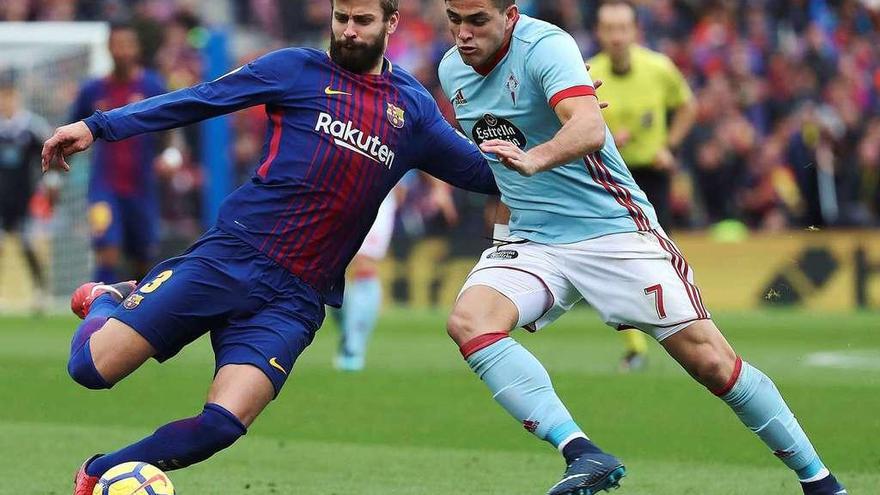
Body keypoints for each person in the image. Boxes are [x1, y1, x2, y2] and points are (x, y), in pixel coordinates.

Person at [42, 1, 498, 494]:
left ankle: (99, 471)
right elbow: (199, 99)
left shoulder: (411, 110)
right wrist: (97, 126)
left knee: (222, 425)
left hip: (295, 299)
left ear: (390, 24)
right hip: (231, 257)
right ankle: (106, 299)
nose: (347, 30)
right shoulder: (294, 69)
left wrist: (556, 140)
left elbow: (483, 173)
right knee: (88, 369)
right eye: (340, 18)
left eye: (361, 21)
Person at [438, 1, 846, 494]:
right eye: (454, 19)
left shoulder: (546, 46)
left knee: (712, 363)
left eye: (477, 20)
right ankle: (582, 453)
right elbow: (501, 160)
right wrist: (502, 230)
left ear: (509, 14)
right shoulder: (450, 68)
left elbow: (588, 128)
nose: (463, 33)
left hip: (611, 230)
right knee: (469, 321)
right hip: (534, 239)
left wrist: (537, 158)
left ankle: (820, 482)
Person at [587, 0, 698, 372]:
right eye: (609, 29)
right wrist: (598, 136)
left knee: (658, 255)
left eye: (623, 28)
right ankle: (636, 346)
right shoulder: (588, 73)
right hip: (609, 176)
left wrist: (671, 146)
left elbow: (687, 106)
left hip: (651, 174)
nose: (617, 37)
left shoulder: (659, 68)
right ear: (599, 33)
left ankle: (681, 324)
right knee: (612, 258)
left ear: (635, 31)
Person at [70, 22, 167, 283]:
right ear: (109, 49)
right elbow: (71, 130)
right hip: (103, 187)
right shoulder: (92, 90)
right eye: (118, 45)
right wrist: (55, 176)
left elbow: (171, 125)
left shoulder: (152, 86)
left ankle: (139, 315)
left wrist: (169, 154)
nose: (123, 51)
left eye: (128, 45)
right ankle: (97, 317)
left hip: (141, 186)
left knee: (143, 259)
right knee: (107, 251)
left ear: (137, 49)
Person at [0, 76, 51, 310]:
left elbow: (50, 155)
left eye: (8, 96)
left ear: (16, 97)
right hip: (1, 199)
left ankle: (40, 291)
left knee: (27, 245)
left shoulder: (32, 128)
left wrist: (49, 182)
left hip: (24, 199)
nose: (5, 102)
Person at [333, 191, 399, 372]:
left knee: (364, 263)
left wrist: (438, 188)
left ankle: (353, 347)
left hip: (378, 187)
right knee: (334, 267)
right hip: (338, 191)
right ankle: (349, 334)